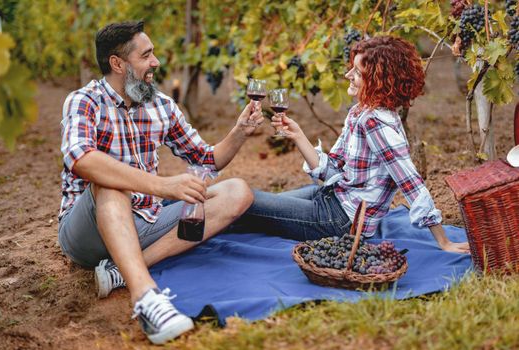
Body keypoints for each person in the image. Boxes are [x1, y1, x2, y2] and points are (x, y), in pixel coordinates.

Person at [58, 21, 264, 344]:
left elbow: (206, 159)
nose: (156, 62)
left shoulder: (161, 106)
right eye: (147, 55)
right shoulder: (84, 101)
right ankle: (146, 298)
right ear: (118, 64)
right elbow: (81, 160)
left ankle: (118, 271)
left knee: (237, 192)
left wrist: (239, 131)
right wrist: (164, 186)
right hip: (88, 232)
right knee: (109, 180)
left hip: (146, 223)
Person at [231, 36, 470, 254]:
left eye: (356, 72)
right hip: (331, 197)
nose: (348, 75)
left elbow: (411, 183)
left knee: (245, 200)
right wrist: (298, 136)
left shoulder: (376, 123)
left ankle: (197, 217)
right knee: (248, 207)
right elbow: (333, 168)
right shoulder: (359, 112)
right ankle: (199, 216)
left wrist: (444, 241)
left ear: (378, 81)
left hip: (340, 221)